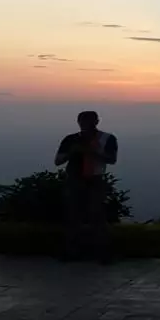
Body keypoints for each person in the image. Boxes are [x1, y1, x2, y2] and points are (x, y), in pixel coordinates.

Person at [54, 111, 118, 262]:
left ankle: (102, 253)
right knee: (73, 216)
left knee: (97, 216)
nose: (85, 124)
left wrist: (91, 152)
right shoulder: (71, 139)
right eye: (83, 121)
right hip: (74, 179)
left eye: (89, 121)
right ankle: (72, 251)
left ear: (97, 122)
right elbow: (58, 161)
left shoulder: (106, 138)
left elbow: (112, 159)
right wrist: (72, 153)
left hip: (95, 179)